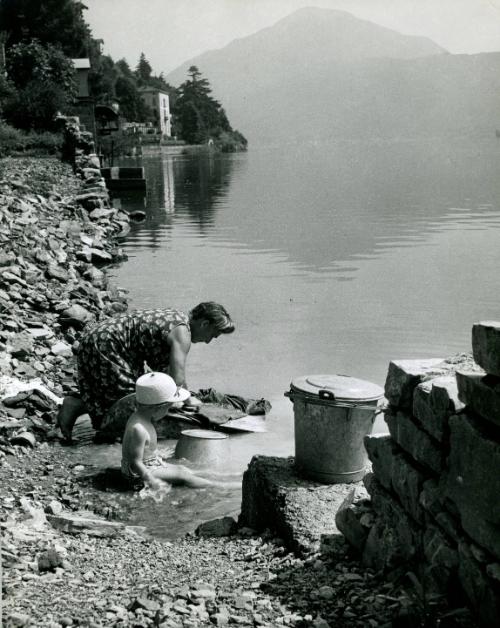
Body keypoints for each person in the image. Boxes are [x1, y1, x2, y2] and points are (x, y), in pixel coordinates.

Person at [57, 302, 234, 442]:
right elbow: (177, 379)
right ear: (204, 324)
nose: (209, 341)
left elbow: (164, 370)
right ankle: (113, 434)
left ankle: (76, 405)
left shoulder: (176, 318)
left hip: (98, 339)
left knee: (107, 394)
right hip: (109, 345)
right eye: (213, 334)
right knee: (131, 401)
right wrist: (188, 399)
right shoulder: (183, 333)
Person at [121, 372, 228, 490]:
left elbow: (144, 449)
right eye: (168, 408)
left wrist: (156, 454)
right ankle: (218, 486)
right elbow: (135, 462)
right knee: (182, 475)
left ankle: (222, 476)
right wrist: (151, 480)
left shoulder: (140, 418)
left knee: (183, 469)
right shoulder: (139, 429)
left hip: (149, 464)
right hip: (138, 474)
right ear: (158, 408)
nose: (167, 412)